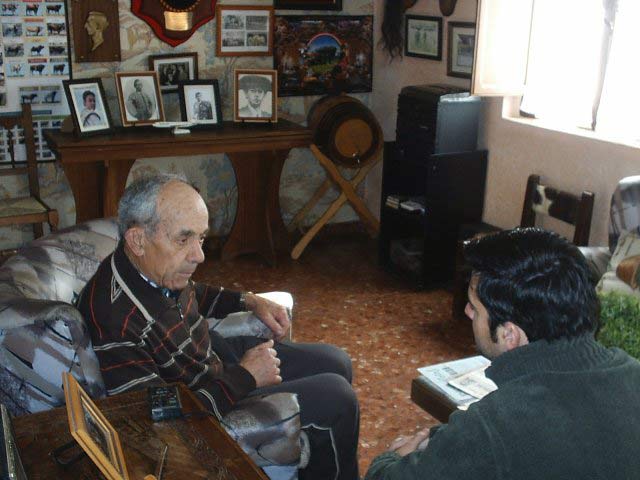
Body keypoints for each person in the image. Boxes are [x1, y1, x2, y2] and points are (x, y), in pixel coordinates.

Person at [77, 173, 359, 480]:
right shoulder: (114, 319)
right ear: (138, 239)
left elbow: (193, 293)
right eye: (184, 239)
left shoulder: (151, 268)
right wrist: (246, 376)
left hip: (215, 359)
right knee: (338, 397)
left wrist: (249, 301)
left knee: (336, 360)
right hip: (208, 404)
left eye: (201, 238)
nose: (198, 255)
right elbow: (155, 419)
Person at [365, 228, 640, 480]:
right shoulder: (633, 371)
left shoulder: (493, 425)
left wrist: (389, 459)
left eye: (475, 307)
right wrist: (443, 440)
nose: (467, 312)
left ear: (510, 334)